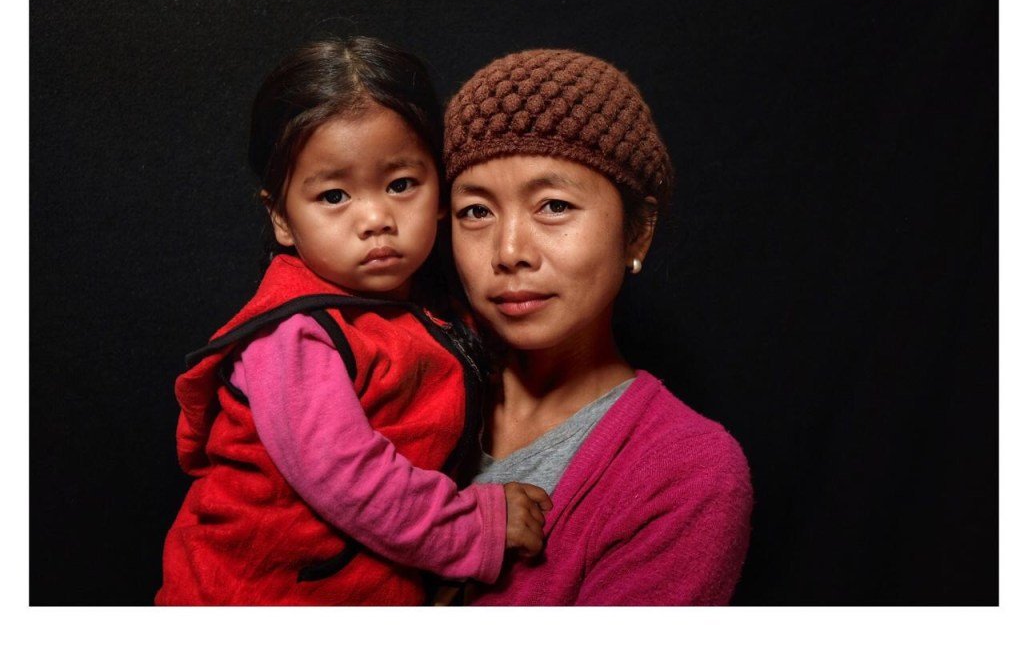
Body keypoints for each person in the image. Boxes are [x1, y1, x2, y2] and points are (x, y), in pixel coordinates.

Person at [156, 37, 551, 606]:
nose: (376, 218)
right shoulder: (292, 336)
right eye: (335, 195)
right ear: (281, 217)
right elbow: (348, 478)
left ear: (442, 190)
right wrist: (475, 526)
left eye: (401, 185)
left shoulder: (433, 303)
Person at [443, 48, 753, 605]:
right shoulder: (394, 379)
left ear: (638, 233)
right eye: (476, 211)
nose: (509, 251)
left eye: (554, 206)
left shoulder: (684, 473)